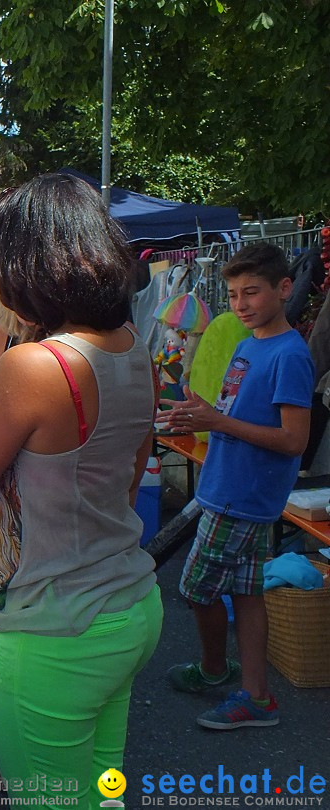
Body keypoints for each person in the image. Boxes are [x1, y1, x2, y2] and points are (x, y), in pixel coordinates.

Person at [0, 174, 161, 806]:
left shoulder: (37, 366)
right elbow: (128, 477)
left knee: (46, 798)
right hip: (127, 605)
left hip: (56, 631)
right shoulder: (134, 349)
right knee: (100, 787)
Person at [159, 244, 313, 730]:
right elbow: (230, 414)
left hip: (244, 497)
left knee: (196, 588)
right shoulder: (248, 345)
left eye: (252, 292)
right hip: (228, 485)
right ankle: (257, 696)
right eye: (232, 295)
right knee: (246, 594)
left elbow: (294, 441)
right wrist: (198, 414)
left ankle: (213, 669)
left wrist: (216, 422)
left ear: (284, 289)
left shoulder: (290, 354)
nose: (241, 304)